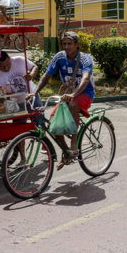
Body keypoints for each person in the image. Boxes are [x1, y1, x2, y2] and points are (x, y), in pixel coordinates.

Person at [28, 31, 95, 169]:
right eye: (64, 44)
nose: (66, 46)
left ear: (77, 45)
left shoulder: (85, 58)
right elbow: (46, 76)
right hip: (67, 94)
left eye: (69, 43)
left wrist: (74, 94)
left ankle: (74, 143)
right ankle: (67, 152)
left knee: (73, 104)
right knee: (54, 125)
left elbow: (86, 78)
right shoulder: (59, 57)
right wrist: (35, 92)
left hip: (85, 93)